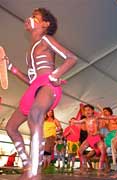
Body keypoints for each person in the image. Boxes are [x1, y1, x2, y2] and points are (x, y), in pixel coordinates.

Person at [5, 8, 77, 179]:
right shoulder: (30, 49)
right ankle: (26, 164)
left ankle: (34, 173)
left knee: (36, 114)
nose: (29, 18)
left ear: (45, 24)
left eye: (35, 17)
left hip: (48, 85)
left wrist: (54, 76)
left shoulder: (46, 39)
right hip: (34, 88)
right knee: (10, 127)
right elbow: (31, 81)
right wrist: (11, 68)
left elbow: (71, 58)